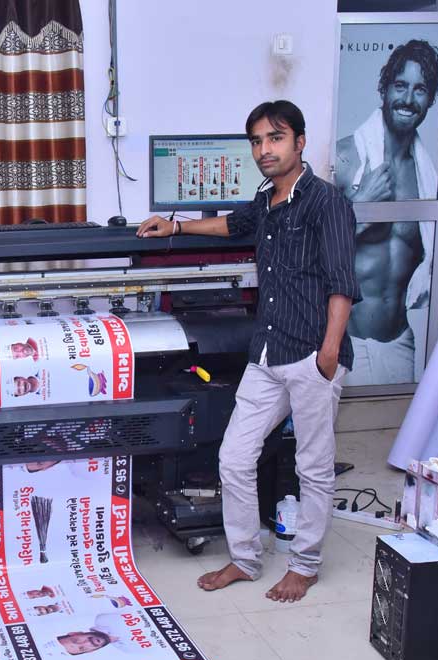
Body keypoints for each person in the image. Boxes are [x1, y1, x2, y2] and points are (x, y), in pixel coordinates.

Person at [138, 100, 360, 603]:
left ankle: (304, 565)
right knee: (235, 457)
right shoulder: (265, 199)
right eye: (257, 141)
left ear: (300, 142)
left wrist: (327, 355)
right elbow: (233, 225)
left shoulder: (326, 203)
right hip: (267, 352)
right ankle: (244, 559)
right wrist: (176, 226)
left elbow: (342, 283)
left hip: (311, 353)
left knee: (313, 467)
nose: (264, 150)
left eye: (275, 138)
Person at [335, 40, 438, 385]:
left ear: (430, 99)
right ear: (384, 89)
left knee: (401, 422)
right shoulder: (346, 161)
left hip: (400, 341)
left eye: (420, 89)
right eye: (400, 85)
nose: (408, 99)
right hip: (348, 341)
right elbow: (308, 251)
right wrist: (359, 210)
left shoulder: (428, 179)